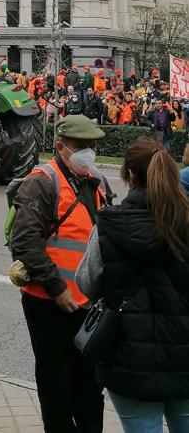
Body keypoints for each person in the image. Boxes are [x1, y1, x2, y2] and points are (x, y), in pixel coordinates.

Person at [76, 137, 189, 433]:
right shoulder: (185, 221)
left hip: (129, 359)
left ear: (129, 175)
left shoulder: (109, 225)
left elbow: (86, 283)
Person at [10, 114, 107, 433]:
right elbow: (24, 241)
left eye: (93, 147)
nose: (89, 153)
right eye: (82, 147)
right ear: (60, 147)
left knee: (90, 386)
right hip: (48, 303)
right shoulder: (43, 180)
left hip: (88, 305)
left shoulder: (96, 181)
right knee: (56, 385)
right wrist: (57, 288)